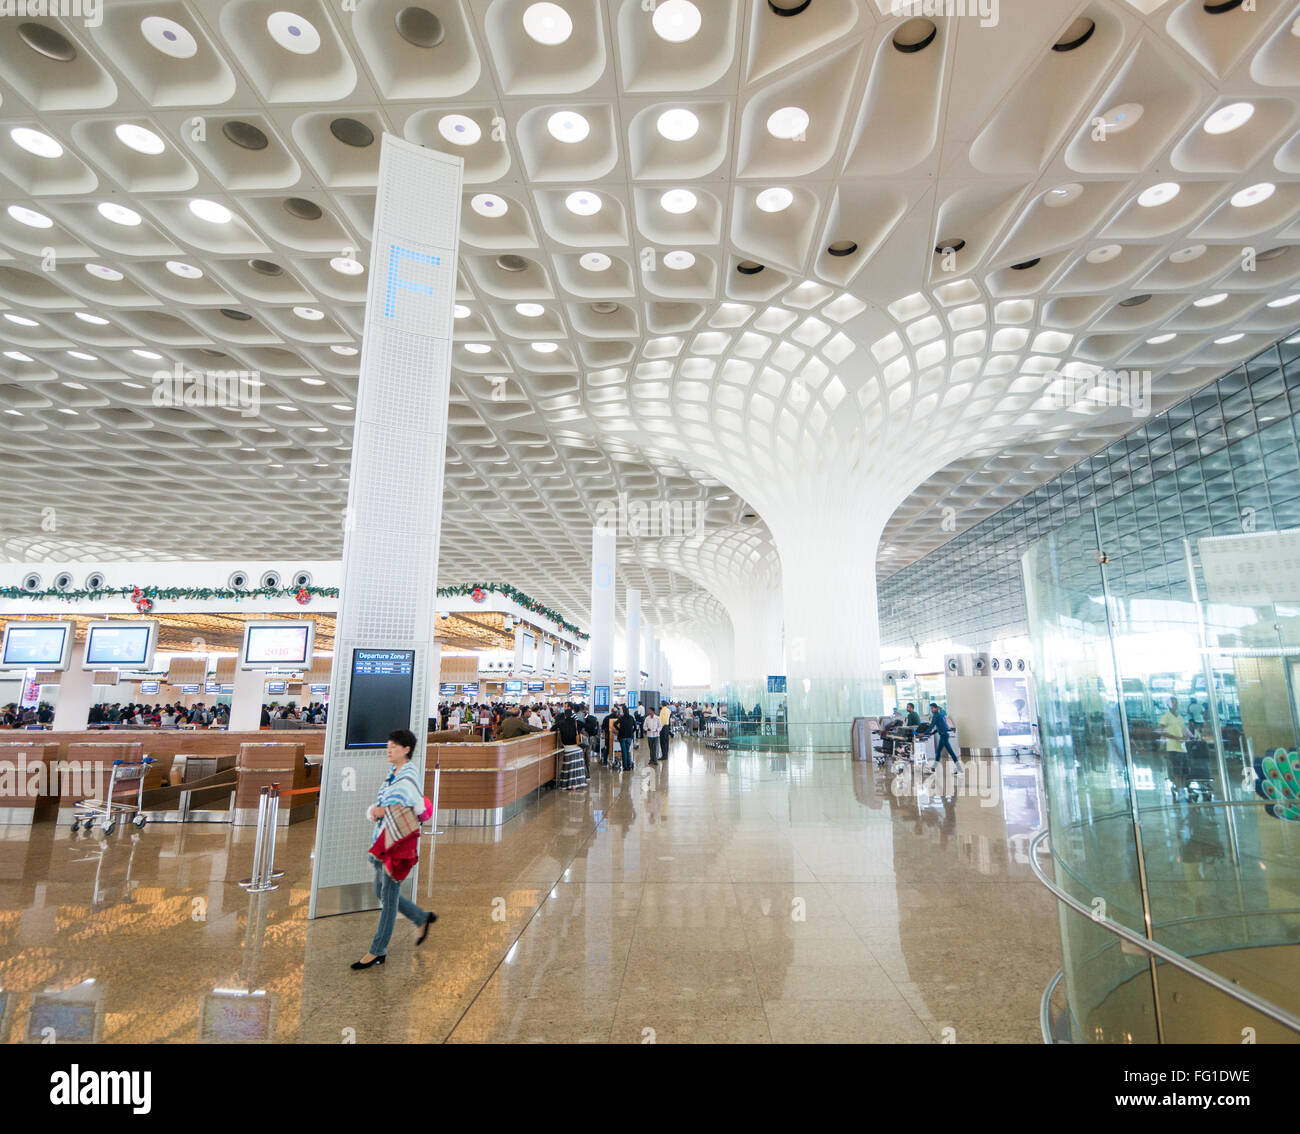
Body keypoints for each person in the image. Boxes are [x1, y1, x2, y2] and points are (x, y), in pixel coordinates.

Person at [352, 728, 436, 970]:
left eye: (394, 746)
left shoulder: (408, 776)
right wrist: (377, 812)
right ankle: (420, 917)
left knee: (388, 896)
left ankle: (377, 950)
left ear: (406, 749)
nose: (389, 750)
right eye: (388, 745)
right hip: (384, 840)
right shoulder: (393, 773)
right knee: (380, 889)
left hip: (396, 845)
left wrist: (380, 812)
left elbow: (412, 809)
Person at [1158, 696, 1192, 799]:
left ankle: (1182, 788)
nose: (1175, 705)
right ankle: (1179, 790)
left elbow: (1183, 729)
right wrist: (1174, 737)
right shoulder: (1166, 717)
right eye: (1173, 703)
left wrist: (1186, 737)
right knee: (1177, 770)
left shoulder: (1180, 717)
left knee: (1184, 770)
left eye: (1176, 703)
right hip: (1173, 747)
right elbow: (1160, 730)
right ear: (1169, 705)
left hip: (1182, 747)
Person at [922, 702, 960, 770]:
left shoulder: (936, 716)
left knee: (949, 752)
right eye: (931, 709)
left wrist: (924, 733)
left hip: (944, 736)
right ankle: (933, 768)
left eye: (933, 708)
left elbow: (931, 726)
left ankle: (959, 768)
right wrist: (932, 733)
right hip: (944, 735)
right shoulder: (940, 715)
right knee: (939, 751)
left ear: (936, 708)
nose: (931, 710)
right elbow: (940, 727)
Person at [616, 705, 637, 771]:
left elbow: (614, 724)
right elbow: (635, 727)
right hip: (629, 737)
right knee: (627, 751)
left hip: (622, 736)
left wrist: (619, 729)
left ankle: (625, 766)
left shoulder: (621, 718)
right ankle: (629, 765)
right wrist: (631, 731)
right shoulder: (631, 718)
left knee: (624, 751)